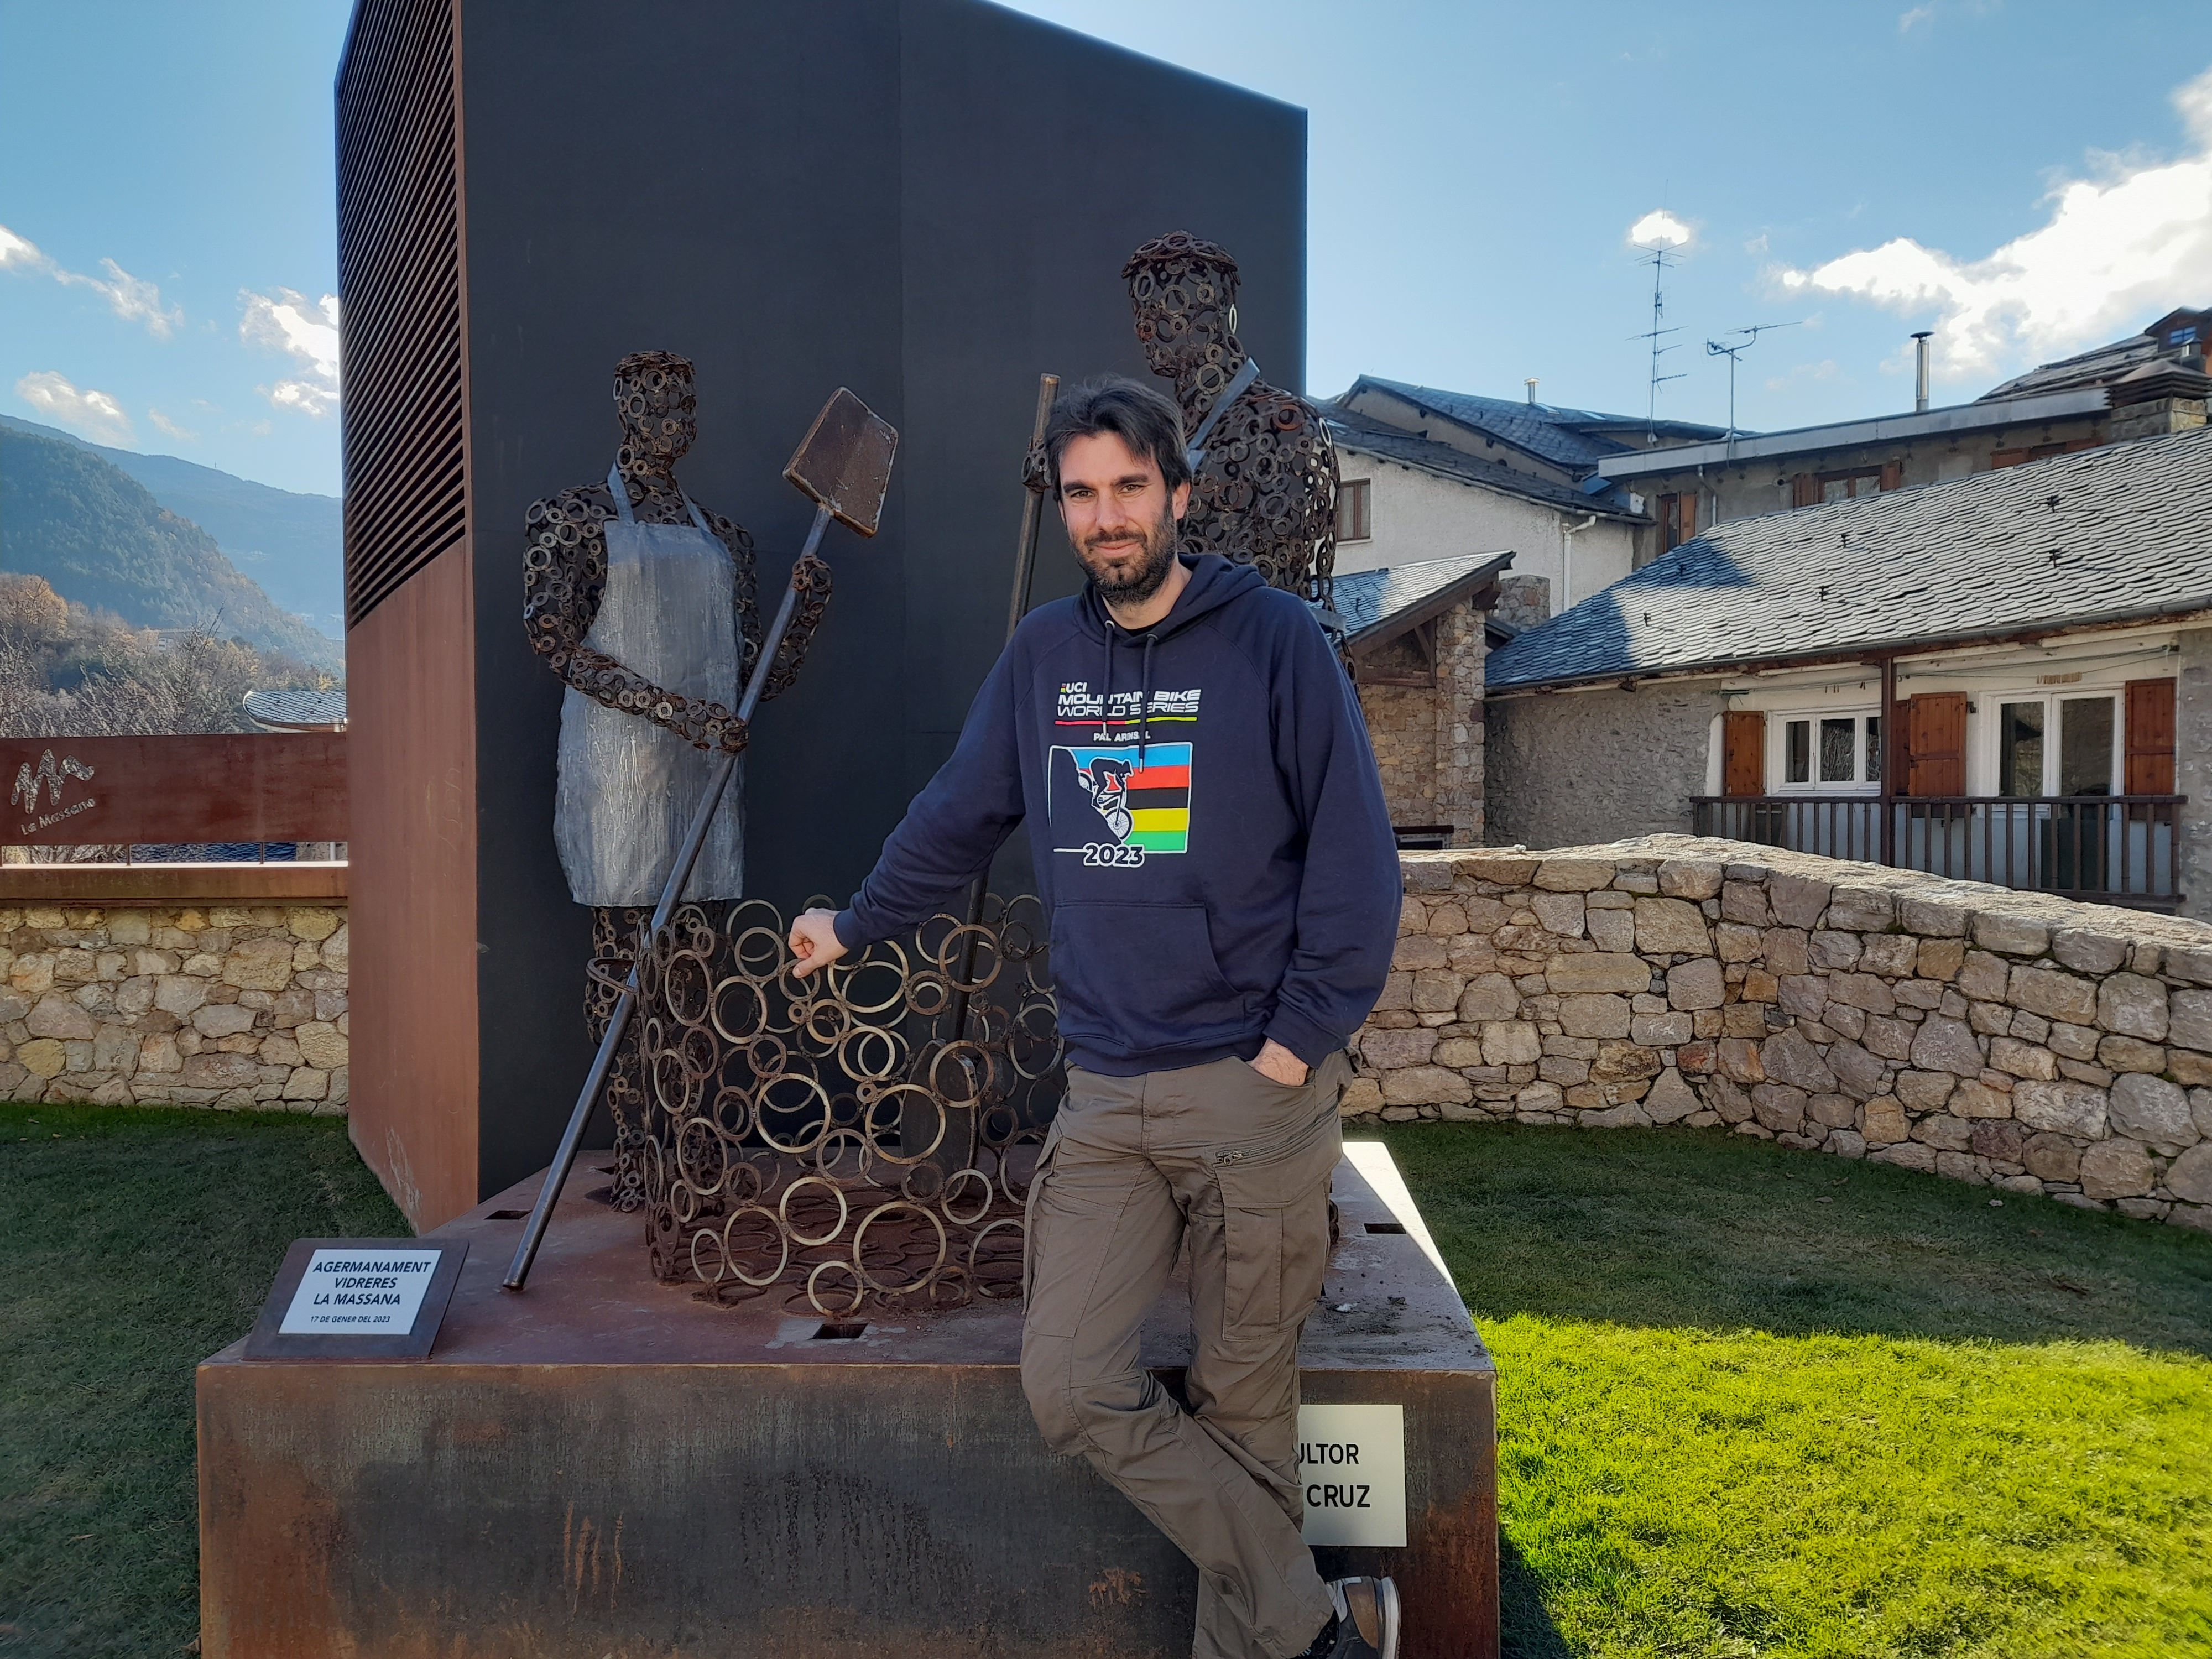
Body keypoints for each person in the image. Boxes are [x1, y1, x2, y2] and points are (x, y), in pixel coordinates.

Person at [788, 376, 1403, 1659]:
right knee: (1068, 1387)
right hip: (1111, 1094)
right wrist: (855, 925)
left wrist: (1295, 1038)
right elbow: (958, 814)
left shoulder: (1274, 641)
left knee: (1245, 1413)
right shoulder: (1043, 659)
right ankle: (1311, 1629)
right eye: (1082, 493)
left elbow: (1355, 860)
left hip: (1253, 1084)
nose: (1106, 516)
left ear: (1178, 495)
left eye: (1130, 488)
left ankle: (1266, 1643)